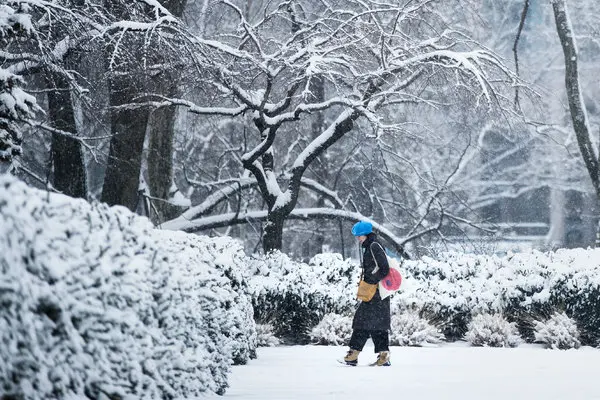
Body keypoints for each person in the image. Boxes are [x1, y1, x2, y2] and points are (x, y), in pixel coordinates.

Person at [343, 221, 391, 366]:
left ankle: (354, 354)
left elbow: (384, 268)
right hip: (375, 293)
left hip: (376, 292)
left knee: (362, 321)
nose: (357, 238)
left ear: (365, 234)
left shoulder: (374, 246)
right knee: (377, 324)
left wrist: (371, 281)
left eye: (359, 235)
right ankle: (383, 357)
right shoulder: (370, 246)